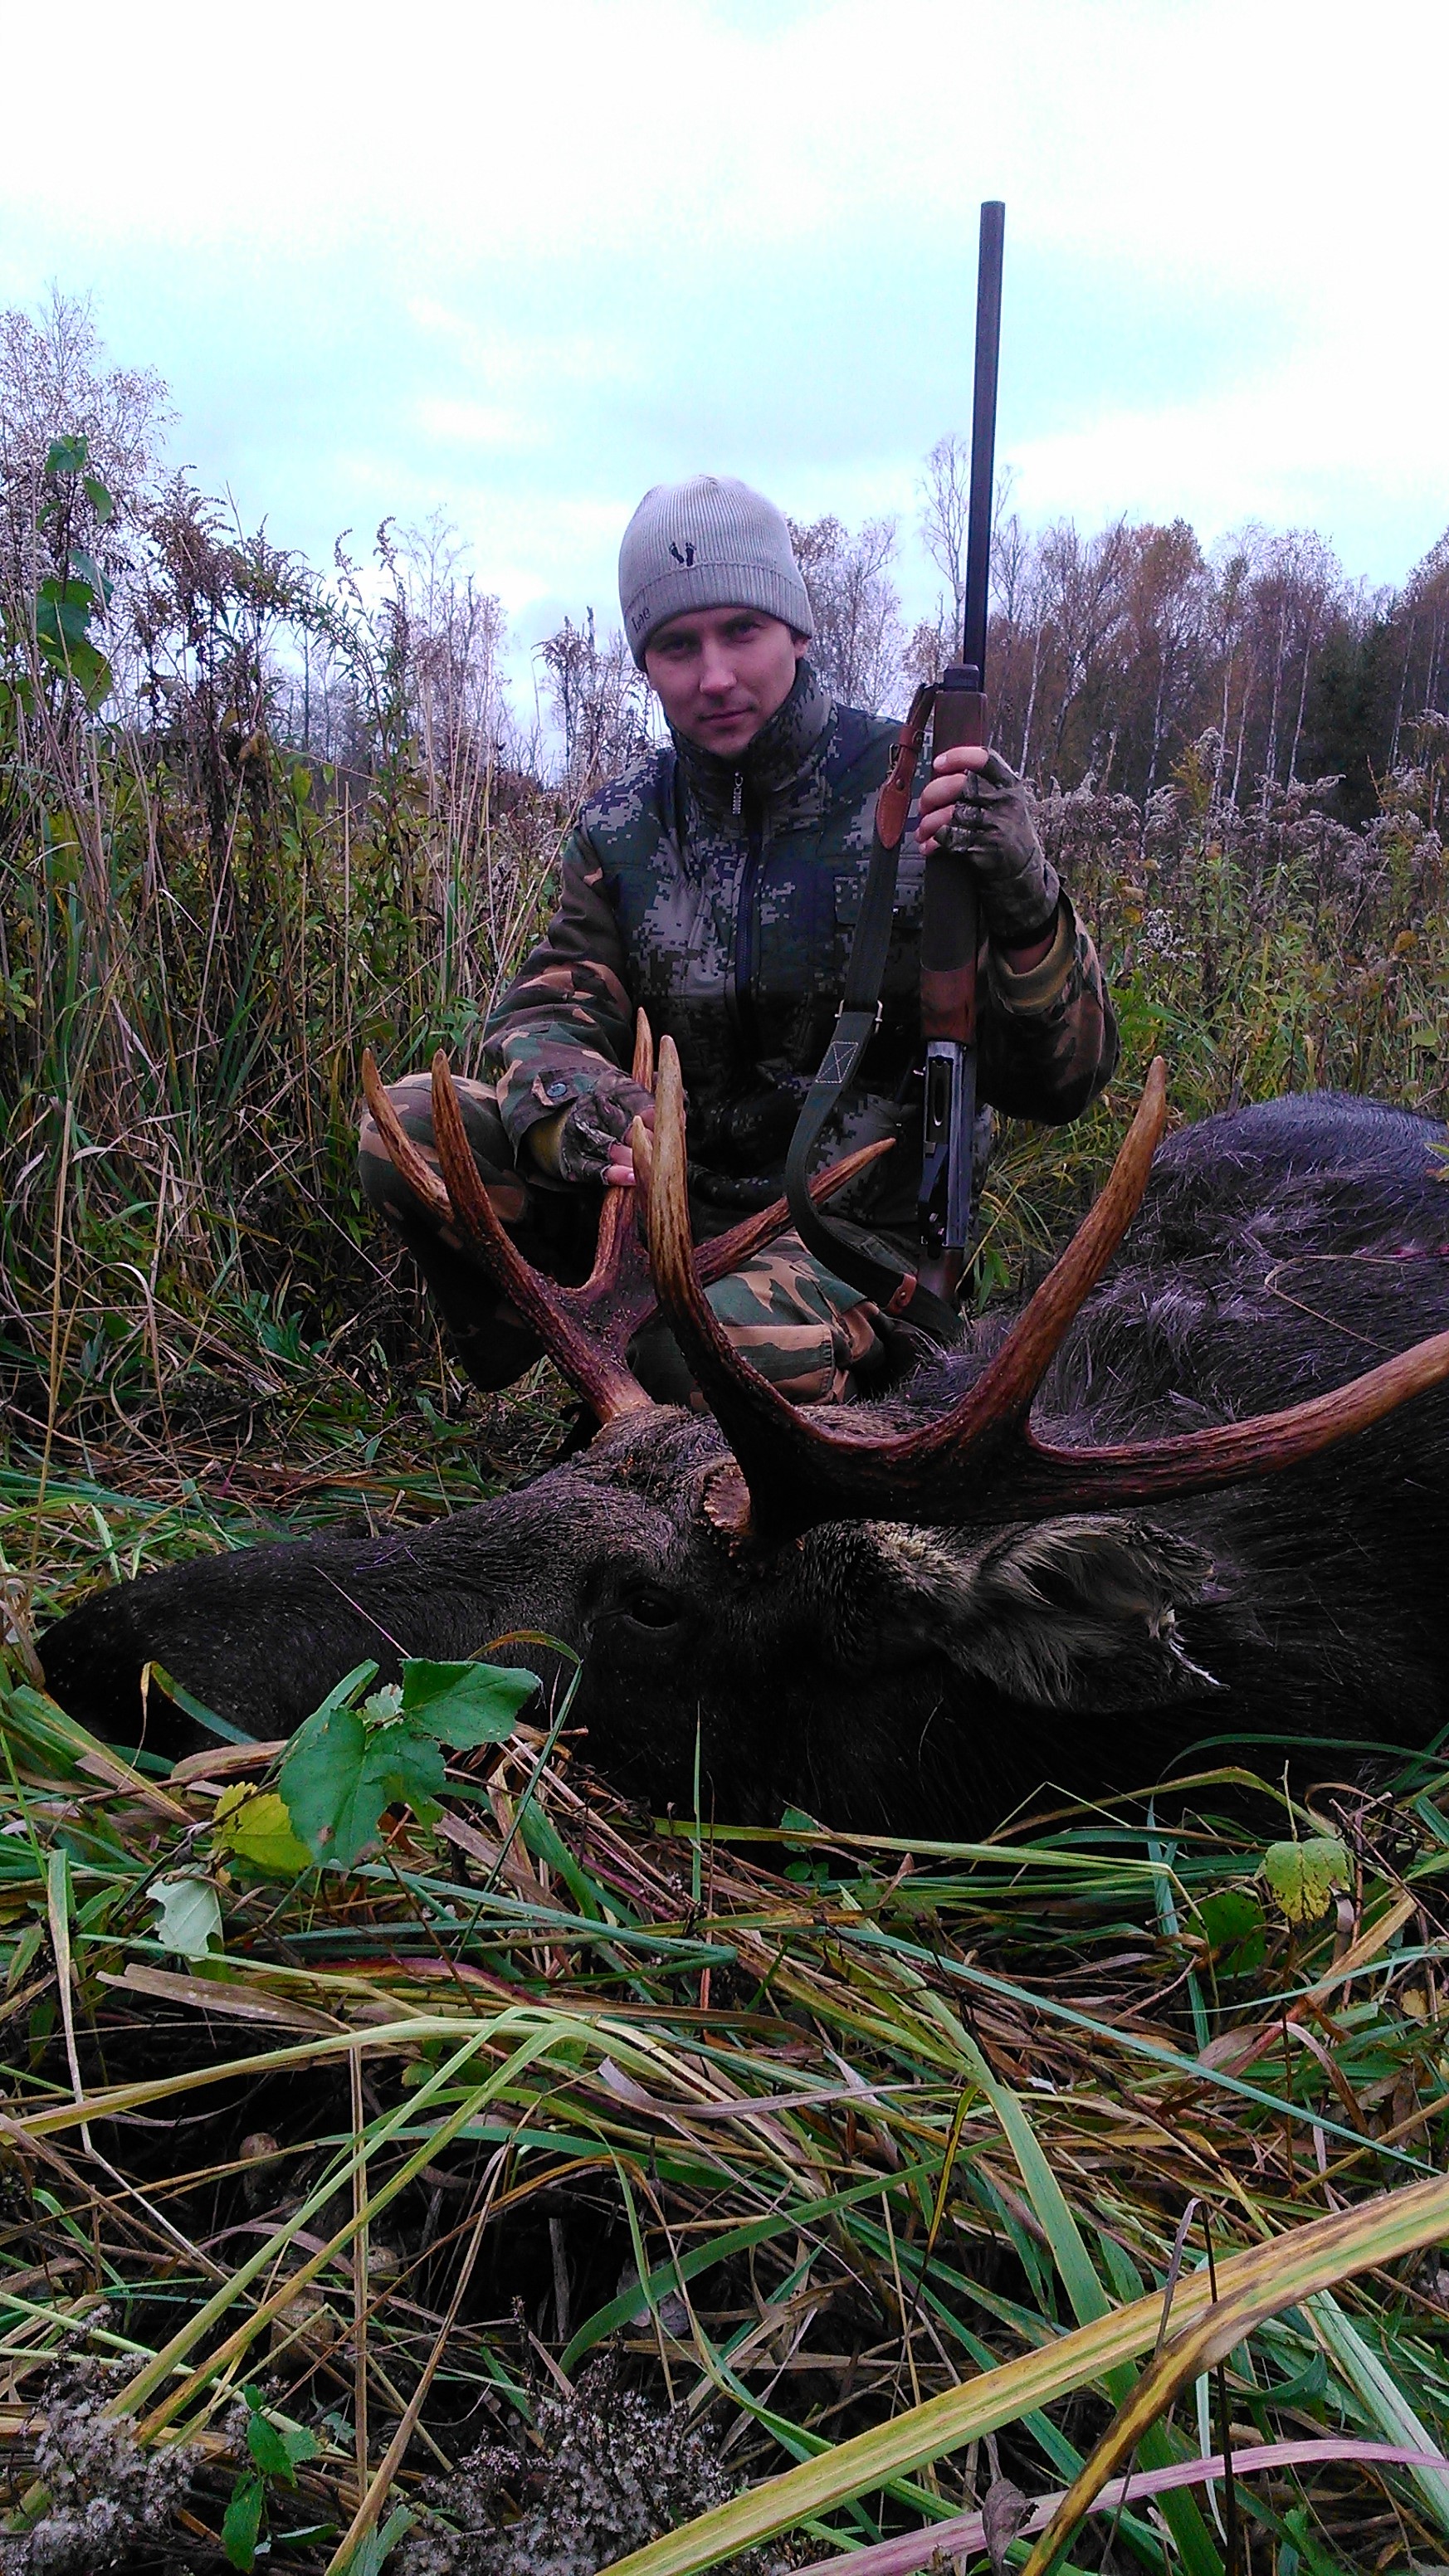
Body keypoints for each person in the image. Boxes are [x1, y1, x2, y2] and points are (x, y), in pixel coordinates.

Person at [359, 476, 1117, 1406]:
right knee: (406, 1128)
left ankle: (792, 1370)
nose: (713, 675)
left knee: (702, 1349)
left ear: (797, 631)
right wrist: (586, 1114)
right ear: (646, 663)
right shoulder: (623, 827)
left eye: (741, 631)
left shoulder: (935, 807)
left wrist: (1027, 895)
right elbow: (547, 1017)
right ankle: (570, 1352)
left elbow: (1063, 1083)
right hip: (658, 1213)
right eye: (678, 645)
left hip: (846, 1245)